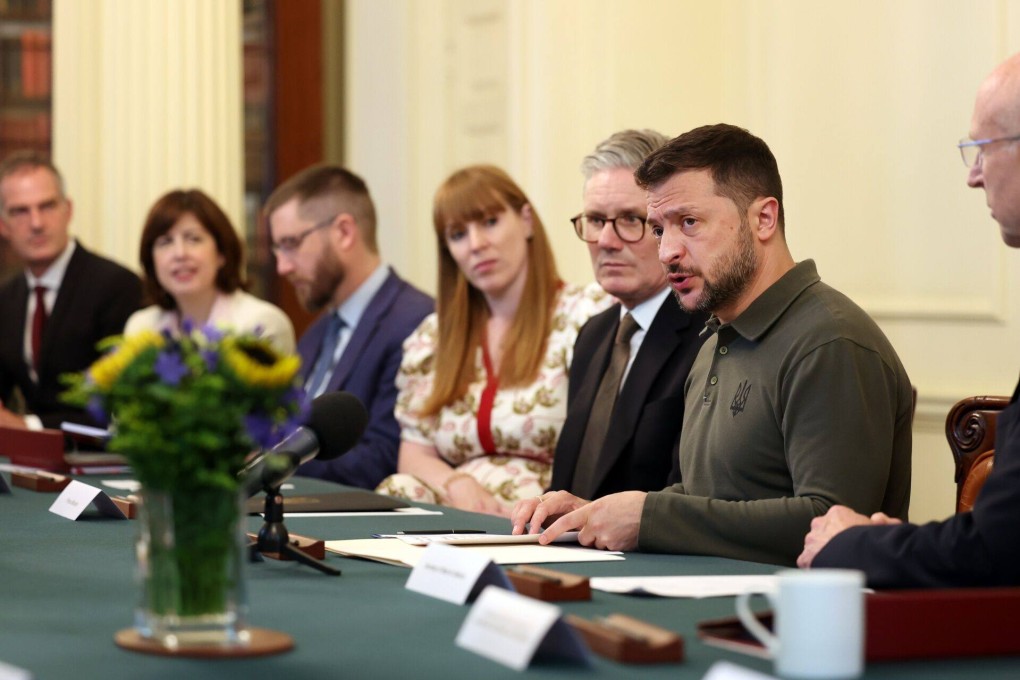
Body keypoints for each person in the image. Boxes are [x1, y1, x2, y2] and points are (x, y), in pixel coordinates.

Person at [512, 124, 913, 566]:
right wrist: (595, 513)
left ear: (763, 218)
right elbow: (705, 500)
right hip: (705, 595)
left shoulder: (831, 341)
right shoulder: (716, 340)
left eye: (689, 223)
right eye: (659, 229)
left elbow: (835, 527)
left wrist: (649, 517)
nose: (667, 251)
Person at [798, 52, 1020, 588]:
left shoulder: (833, 338)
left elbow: (1001, 549)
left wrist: (852, 543)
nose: (972, 177)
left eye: (982, 149)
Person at [376, 165, 612, 516]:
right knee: (397, 490)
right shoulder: (435, 336)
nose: (476, 245)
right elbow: (414, 453)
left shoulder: (586, 315)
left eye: (489, 222)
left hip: (548, 511)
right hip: (457, 511)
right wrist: (458, 484)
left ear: (526, 220)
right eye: (458, 234)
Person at [549, 129, 708, 499]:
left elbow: (686, 494)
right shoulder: (593, 334)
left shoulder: (709, 333)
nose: (606, 241)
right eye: (596, 220)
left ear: (666, 226)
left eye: (630, 220)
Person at [264, 164, 433, 489]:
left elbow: (382, 459)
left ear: (343, 232)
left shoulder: (417, 322)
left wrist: (268, 457)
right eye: (277, 249)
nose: (282, 266)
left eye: (291, 243)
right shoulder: (317, 334)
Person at [0, 151, 142, 430]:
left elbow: (117, 408)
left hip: (101, 464)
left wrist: (26, 425)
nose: (37, 223)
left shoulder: (117, 286)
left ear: (69, 210)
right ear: (3, 226)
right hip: (29, 466)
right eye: (20, 211)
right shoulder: (6, 299)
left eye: (47, 206)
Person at [125, 189, 295, 353]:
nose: (180, 254)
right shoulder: (141, 327)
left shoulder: (261, 324)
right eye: (165, 242)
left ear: (221, 253)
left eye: (193, 239)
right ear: (151, 260)